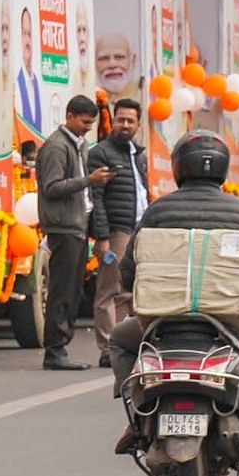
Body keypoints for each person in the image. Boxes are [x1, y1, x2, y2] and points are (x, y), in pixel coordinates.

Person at [103, 134, 239, 449]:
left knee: (117, 339)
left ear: (178, 168)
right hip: (230, 324)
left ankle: (136, 417)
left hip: (159, 325)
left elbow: (128, 277)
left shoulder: (157, 212)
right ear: (222, 169)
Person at [34, 92, 101, 368]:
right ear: (69, 117)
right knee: (63, 291)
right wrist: (89, 180)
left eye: (91, 123)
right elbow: (52, 187)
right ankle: (55, 351)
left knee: (73, 291)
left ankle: (61, 348)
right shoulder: (56, 147)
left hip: (78, 225)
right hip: (63, 227)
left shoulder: (79, 145)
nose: (87, 127)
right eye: (84, 122)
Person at [84, 99, 148, 350]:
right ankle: (107, 347)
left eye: (130, 121)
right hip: (116, 231)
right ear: (112, 120)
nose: (125, 125)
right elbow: (96, 198)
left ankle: (118, 344)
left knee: (126, 292)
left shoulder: (137, 153)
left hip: (137, 231)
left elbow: (143, 191)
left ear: (138, 124)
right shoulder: (101, 153)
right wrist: (102, 236)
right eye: (120, 119)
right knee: (108, 290)